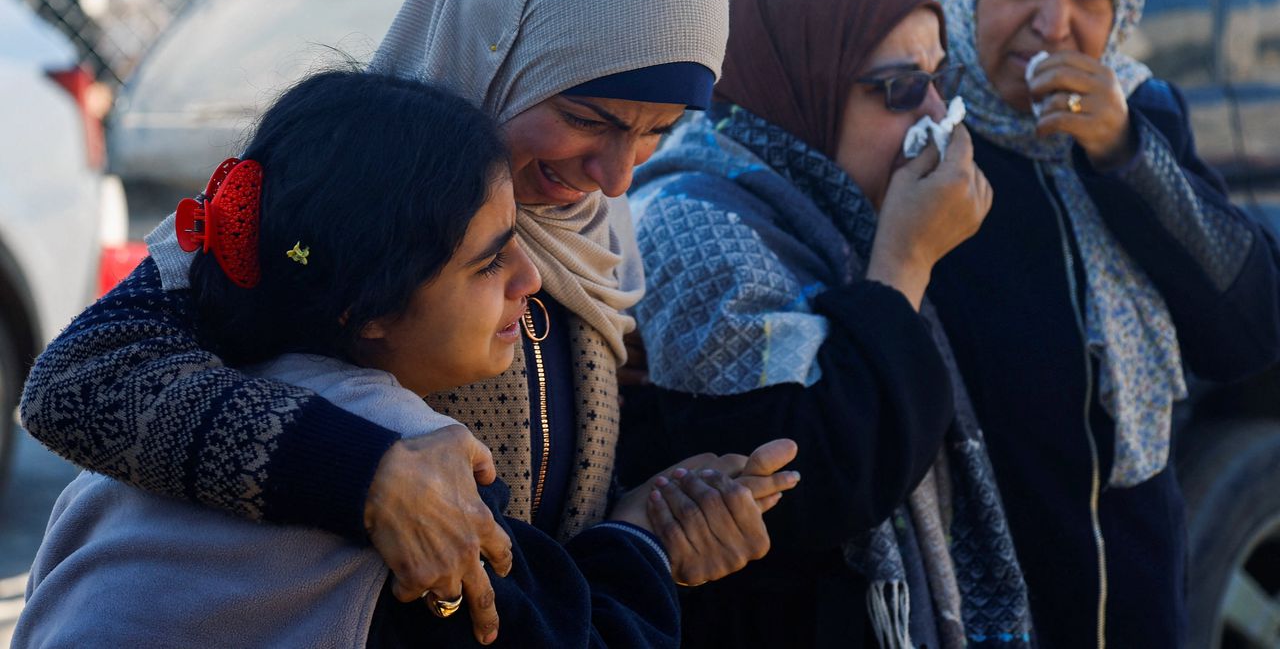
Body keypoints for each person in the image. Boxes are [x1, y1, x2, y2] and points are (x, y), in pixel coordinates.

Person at [19, 0, 757, 643]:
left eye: (658, 133)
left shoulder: (595, 246)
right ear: (503, 44)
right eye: (589, 119)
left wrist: (658, 518)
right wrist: (364, 473)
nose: (616, 178)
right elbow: (80, 383)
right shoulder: (347, 205)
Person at [16, 70, 797, 648]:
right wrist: (646, 546)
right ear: (369, 309)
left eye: (658, 130)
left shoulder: (144, 439)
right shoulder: (422, 485)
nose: (531, 278)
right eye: (491, 260)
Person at [924, 0, 1280, 647]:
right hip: (996, 603)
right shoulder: (924, 147)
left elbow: (1249, 325)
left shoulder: (1140, 114)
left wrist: (1126, 157)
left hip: (1137, 586)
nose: (1057, 25)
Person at [624, 0, 1033, 648]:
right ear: (802, 81)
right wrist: (903, 262)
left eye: (943, 79)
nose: (938, 116)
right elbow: (822, 475)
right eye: (903, 88)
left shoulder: (827, 216)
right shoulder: (692, 226)